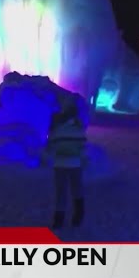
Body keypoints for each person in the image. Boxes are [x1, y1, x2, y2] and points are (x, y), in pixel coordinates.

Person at [46, 95, 87, 229]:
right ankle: (78, 214)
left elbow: (50, 146)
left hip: (60, 163)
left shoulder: (57, 128)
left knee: (61, 192)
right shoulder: (78, 127)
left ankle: (59, 219)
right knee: (77, 189)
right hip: (75, 163)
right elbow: (82, 146)